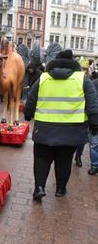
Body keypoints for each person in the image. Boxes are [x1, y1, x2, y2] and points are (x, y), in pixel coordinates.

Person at [24, 49, 98, 201]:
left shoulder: (44, 77)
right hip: (72, 130)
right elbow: (92, 103)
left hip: (44, 128)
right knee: (64, 161)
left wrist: (28, 114)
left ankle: (39, 188)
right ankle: (60, 189)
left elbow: (31, 97)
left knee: (41, 158)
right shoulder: (81, 78)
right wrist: (94, 122)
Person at [88, 77, 98, 175]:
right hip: (95, 119)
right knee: (94, 144)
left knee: (94, 144)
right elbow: (91, 103)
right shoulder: (93, 84)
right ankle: (95, 165)